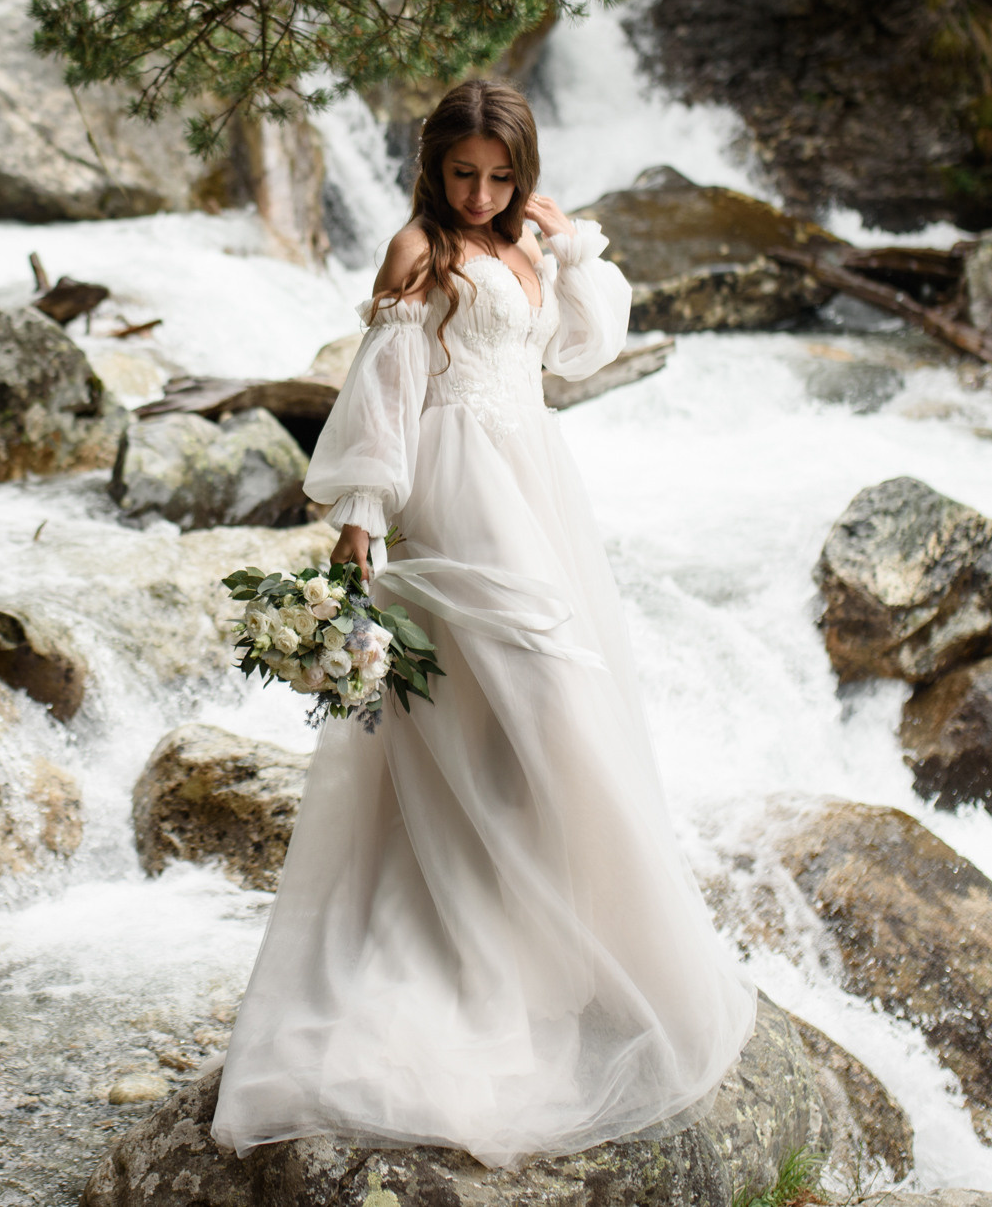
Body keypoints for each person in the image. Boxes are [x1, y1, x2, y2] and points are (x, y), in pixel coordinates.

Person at [208, 78, 758, 1167]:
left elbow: (580, 350)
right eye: (463, 173)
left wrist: (574, 247)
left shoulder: (525, 243)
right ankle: (478, 954)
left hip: (534, 479)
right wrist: (362, 519)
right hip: (456, 485)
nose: (480, 193)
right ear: (433, 167)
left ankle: (544, 943)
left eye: (501, 177)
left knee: (532, 710)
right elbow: (386, 388)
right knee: (538, 688)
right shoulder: (418, 250)